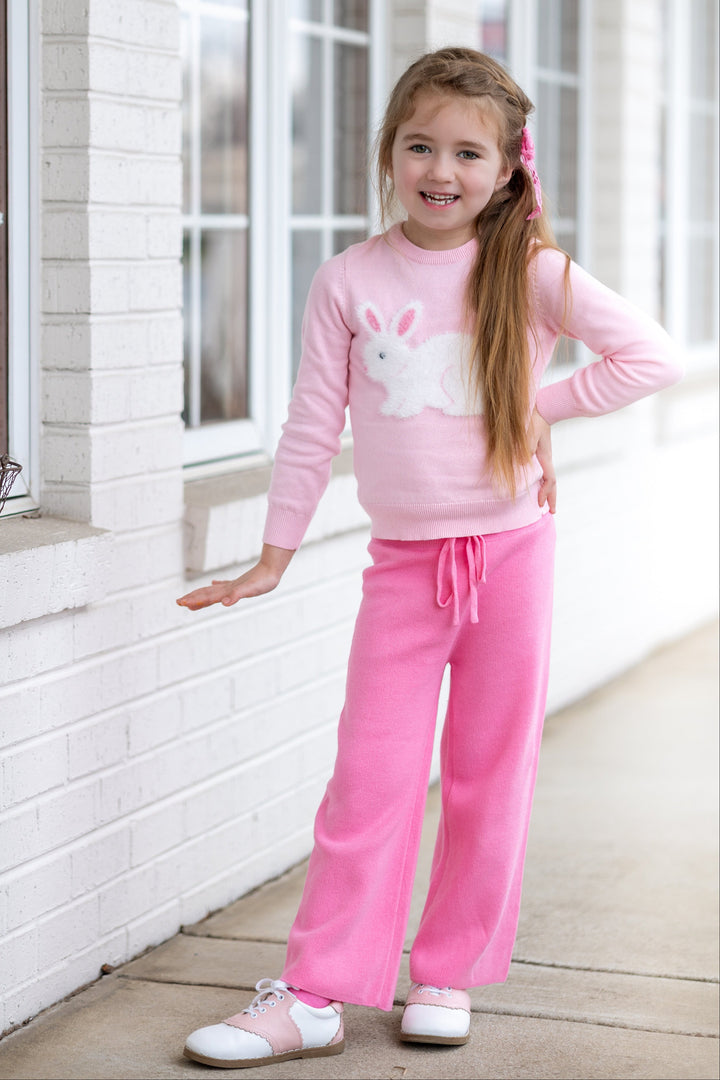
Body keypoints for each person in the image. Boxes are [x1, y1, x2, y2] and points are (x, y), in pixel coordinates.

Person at [177, 47, 683, 1070]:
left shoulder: (532, 272)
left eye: (466, 152)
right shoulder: (349, 280)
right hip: (402, 569)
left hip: (511, 558)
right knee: (370, 781)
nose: (439, 170)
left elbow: (652, 357)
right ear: (389, 154)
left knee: (491, 775)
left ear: (506, 171)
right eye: (420, 145)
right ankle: (317, 993)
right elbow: (312, 424)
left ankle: (445, 971)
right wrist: (272, 554)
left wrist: (534, 407)